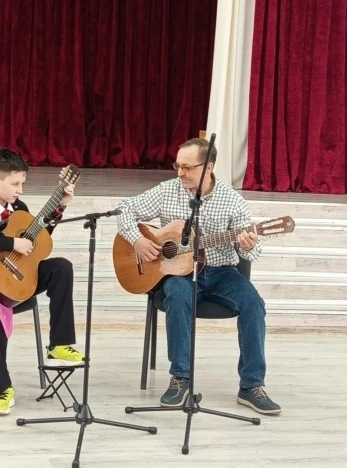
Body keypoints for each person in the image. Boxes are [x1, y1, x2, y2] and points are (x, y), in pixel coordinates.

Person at [117, 138, 280, 415]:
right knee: (177, 294)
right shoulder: (168, 190)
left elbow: (252, 252)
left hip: (221, 272)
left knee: (254, 304)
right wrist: (137, 240)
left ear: (208, 168)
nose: (180, 173)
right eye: (177, 166)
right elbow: (124, 208)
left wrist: (248, 244)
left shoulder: (231, 200)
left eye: (187, 167)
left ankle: (251, 386)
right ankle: (180, 378)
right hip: (178, 272)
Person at [0, 147, 84, 416]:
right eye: (15, 184)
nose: (20, 190)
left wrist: (61, 205)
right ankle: (3, 389)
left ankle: (59, 345)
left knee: (61, 267)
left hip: (19, 277)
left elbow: (39, 238)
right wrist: (11, 242)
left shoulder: (20, 210)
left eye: (22, 183)